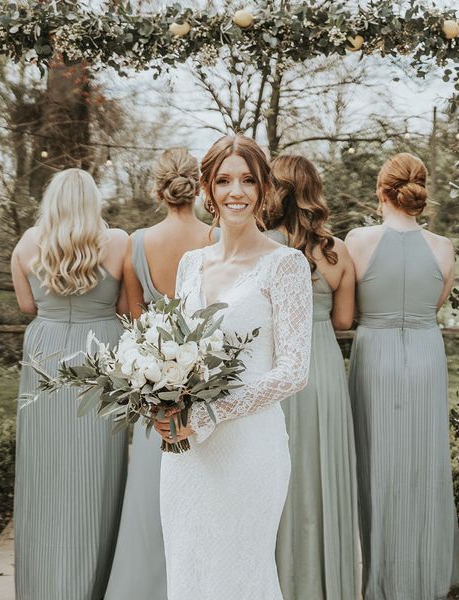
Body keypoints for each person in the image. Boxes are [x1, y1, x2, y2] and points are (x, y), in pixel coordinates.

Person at [154, 135, 313, 600]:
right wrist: (159, 400)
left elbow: (293, 370)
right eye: (224, 180)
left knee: (241, 574)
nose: (235, 191)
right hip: (186, 453)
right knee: (190, 569)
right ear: (207, 188)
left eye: (247, 180)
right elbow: (174, 352)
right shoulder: (190, 264)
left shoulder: (285, 266)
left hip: (249, 447)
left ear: (265, 188)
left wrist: (209, 413)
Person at [345, 152, 459, 600]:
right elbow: (433, 306)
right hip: (426, 356)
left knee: (375, 462)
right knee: (421, 464)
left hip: (376, 354)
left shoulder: (358, 240)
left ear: (381, 191)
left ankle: (376, 572)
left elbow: (348, 311)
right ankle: (423, 573)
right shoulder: (444, 247)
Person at [104, 147, 218, 600]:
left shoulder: (137, 243)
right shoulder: (215, 238)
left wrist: (152, 369)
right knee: (206, 490)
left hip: (155, 384)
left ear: (158, 187)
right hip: (208, 380)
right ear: (199, 187)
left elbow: (132, 319)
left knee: (152, 493)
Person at [11, 168, 128, 600]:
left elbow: (27, 304)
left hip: (44, 353)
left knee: (45, 470)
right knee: (96, 468)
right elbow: (126, 307)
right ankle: (92, 582)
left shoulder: (26, 243)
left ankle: (43, 586)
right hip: (100, 354)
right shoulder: (118, 242)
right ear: (92, 201)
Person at [268, 154, 360, 600]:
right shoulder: (337, 251)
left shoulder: (261, 246)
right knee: (321, 477)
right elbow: (344, 322)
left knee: (277, 479)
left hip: (275, 369)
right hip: (322, 369)